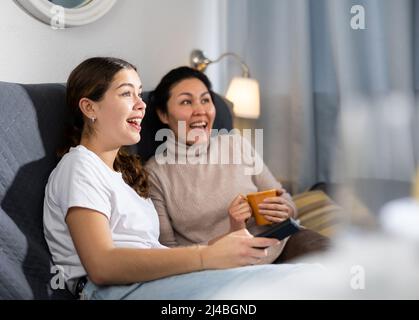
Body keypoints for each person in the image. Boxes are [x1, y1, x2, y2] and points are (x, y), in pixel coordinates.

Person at [43, 57, 320, 300]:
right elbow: (102, 266)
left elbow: (159, 252)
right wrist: (205, 256)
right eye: (127, 94)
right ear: (90, 108)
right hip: (112, 290)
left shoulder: (124, 175)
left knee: (313, 276)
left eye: (140, 95)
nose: (141, 105)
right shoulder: (79, 166)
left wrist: (228, 242)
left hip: (153, 282)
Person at [145, 66, 330, 263]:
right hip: (221, 263)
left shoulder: (236, 143)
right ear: (163, 114)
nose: (200, 110)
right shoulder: (155, 174)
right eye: (186, 101)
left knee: (333, 261)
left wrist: (286, 209)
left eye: (205, 100)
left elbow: (283, 196)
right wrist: (233, 233)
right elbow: (168, 254)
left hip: (280, 243)